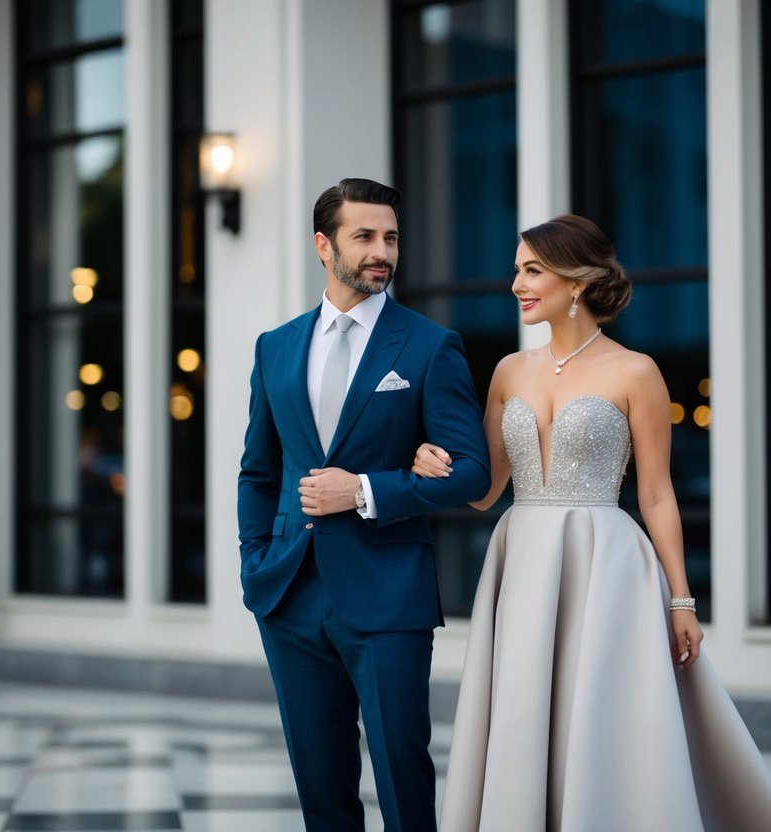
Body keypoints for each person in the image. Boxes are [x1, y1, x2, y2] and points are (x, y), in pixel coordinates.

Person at [411, 214, 771, 831]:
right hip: (520, 560)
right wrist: (433, 463)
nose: (516, 282)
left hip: (607, 564)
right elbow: (486, 492)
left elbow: (656, 496)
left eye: (532, 270)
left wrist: (681, 600)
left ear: (576, 282)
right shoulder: (508, 372)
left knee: (598, 714)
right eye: (516, 269)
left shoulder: (636, 372)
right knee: (522, 712)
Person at [237, 178, 490, 832]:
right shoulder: (276, 346)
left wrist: (366, 489)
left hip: (387, 592)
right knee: (319, 785)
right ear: (324, 245)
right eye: (365, 237)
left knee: (402, 774)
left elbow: (470, 473)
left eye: (391, 237)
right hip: (289, 590)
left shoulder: (431, 346)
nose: (383, 252)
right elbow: (258, 471)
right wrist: (254, 561)